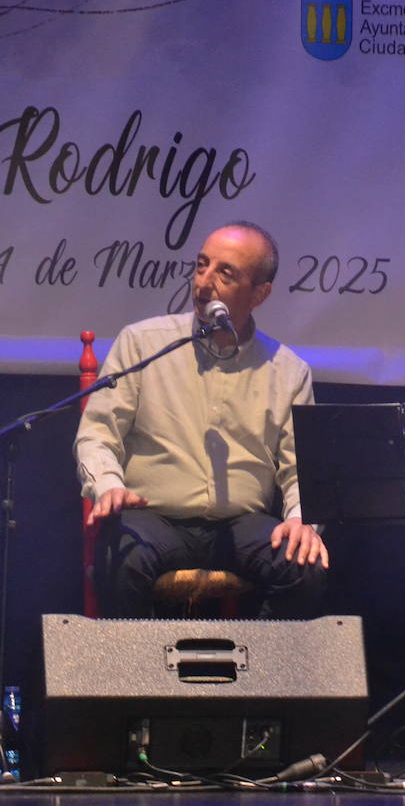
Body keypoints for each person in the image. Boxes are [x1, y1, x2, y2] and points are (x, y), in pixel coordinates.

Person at [75, 221, 327, 618]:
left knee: (304, 564)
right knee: (121, 559)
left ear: (260, 293)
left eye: (225, 273)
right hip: (153, 517)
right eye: (202, 265)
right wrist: (109, 485)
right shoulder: (144, 344)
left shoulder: (288, 371)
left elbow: (302, 470)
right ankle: (141, 680)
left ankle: (257, 676)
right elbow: (98, 435)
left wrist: (301, 522)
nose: (204, 283)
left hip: (242, 524)